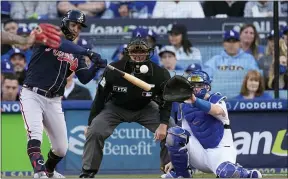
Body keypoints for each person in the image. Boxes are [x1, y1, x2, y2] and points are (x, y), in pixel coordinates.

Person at [19, 10, 107, 178]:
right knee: (35, 134)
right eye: (73, 24)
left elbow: (85, 77)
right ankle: (39, 173)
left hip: (54, 100)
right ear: (65, 23)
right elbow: (61, 44)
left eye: (79, 27)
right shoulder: (50, 34)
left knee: (61, 148)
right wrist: (88, 52)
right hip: (32, 94)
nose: (76, 29)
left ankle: (49, 171)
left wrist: (96, 65)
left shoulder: (76, 52)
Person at [79, 36, 172, 178]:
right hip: (115, 107)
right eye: (135, 52)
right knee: (95, 131)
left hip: (146, 107)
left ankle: (170, 170)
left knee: (172, 132)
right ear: (128, 53)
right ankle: (88, 172)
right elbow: (100, 98)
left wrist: (164, 124)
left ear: (148, 53)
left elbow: (167, 100)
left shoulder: (160, 74)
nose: (138, 55)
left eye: (142, 52)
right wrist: (90, 123)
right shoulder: (114, 70)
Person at [161, 70, 262, 178]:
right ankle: (181, 175)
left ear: (207, 87)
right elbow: (186, 134)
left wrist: (195, 101)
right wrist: (175, 162)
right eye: (192, 85)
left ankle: (247, 174)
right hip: (199, 154)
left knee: (228, 173)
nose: (195, 88)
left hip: (220, 151)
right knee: (174, 134)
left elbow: (217, 111)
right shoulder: (183, 105)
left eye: (199, 85)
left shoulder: (217, 99)